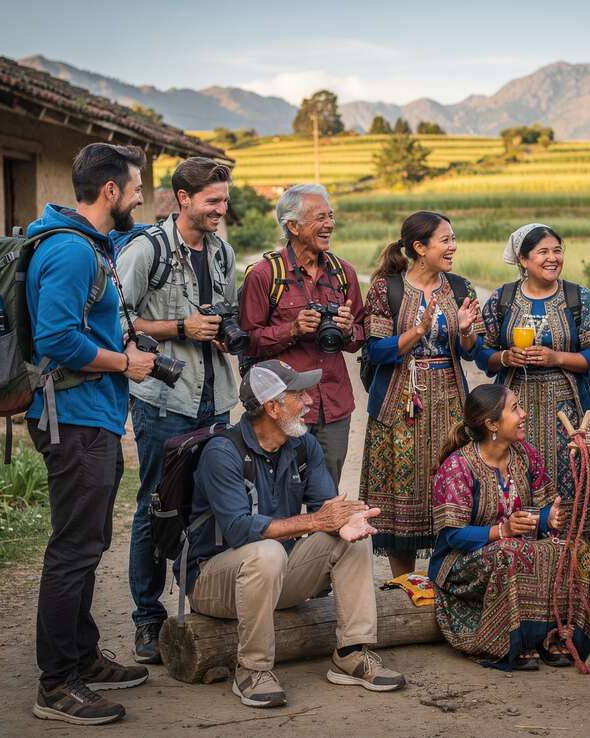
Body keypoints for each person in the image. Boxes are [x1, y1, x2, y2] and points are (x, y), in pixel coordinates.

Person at [182, 361, 407, 708]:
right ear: (272, 407)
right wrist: (318, 522)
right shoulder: (222, 452)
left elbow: (325, 509)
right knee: (267, 551)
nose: (309, 401)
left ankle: (351, 652)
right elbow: (240, 529)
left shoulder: (302, 446)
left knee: (350, 540)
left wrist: (347, 521)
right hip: (213, 583)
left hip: (274, 574)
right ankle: (252, 670)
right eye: (298, 394)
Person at [25, 143, 157, 725]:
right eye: (134, 187)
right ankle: (56, 685)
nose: (138, 198)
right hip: (74, 418)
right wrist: (123, 362)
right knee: (73, 551)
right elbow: (56, 338)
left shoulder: (87, 246)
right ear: (110, 191)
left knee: (87, 543)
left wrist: (119, 355)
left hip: (90, 416)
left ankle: (81, 656)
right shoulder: (73, 251)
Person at [115, 157, 239, 664]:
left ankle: (202, 605)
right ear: (183, 199)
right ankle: (148, 619)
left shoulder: (223, 252)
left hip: (216, 400)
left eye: (225, 200)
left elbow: (224, 314)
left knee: (208, 507)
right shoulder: (146, 250)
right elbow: (117, 322)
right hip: (164, 401)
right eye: (212, 201)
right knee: (156, 505)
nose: (221, 210)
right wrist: (181, 329)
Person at [430, 384, 590, 669]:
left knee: (576, 549)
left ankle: (557, 634)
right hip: (460, 563)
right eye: (515, 409)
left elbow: (546, 505)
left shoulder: (524, 455)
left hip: (517, 546)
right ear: (492, 424)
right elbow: (452, 535)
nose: (523, 415)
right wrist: (502, 531)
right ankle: (514, 639)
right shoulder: (458, 467)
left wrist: (550, 518)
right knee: (510, 551)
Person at [359, 211, 483, 578]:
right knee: (403, 492)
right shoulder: (387, 288)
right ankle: (403, 584)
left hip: (450, 402)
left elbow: (472, 352)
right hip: (400, 403)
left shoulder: (460, 287)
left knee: (451, 483)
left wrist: (465, 331)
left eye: (453, 239)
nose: (453, 246)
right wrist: (417, 331)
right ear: (419, 247)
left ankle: (444, 578)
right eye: (445, 240)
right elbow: (376, 351)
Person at [476, 223, 590, 545]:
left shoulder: (578, 297)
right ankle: (520, 564)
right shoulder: (502, 299)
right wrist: (506, 357)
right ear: (523, 259)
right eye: (543, 252)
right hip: (513, 410)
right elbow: (482, 353)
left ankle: (575, 569)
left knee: (570, 482)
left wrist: (556, 358)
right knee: (516, 479)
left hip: (567, 409)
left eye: (557, 250)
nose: (552, 258)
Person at [239, 183, 364, 484]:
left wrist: (348, 330)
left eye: (331, 217)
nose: (330, 225)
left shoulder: (343, 273)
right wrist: (292, 330)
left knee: (327, 495)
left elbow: (362, 333)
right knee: (282, 494)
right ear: (292, 226)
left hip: (333, 406)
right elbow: (248, 342)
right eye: (320, 218)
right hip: (284, 408)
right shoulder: (265, 275)